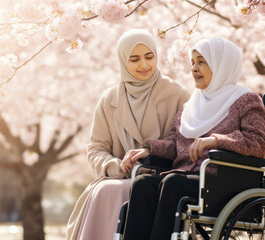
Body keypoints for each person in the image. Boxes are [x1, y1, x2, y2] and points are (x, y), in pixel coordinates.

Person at [121, 37, 265, 240]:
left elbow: (257, 143)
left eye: (202, 62)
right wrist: (148, 150)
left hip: (221, 181)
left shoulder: (247, 100)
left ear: (222, 63)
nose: (194, 68)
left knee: (172, 183)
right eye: (193, 62)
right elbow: (175, 143)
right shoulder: (189, 107)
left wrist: (216, 140)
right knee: (143, 184)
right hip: (185, 176)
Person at [66, 29, 190, 240]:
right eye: (134, 59)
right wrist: (115, 165)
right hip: (118, 175)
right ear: (123, 61)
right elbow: (96, 148)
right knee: (107, 190)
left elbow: (183, 144)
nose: (144, 65)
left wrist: (148, 155)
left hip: (159, 178)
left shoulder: (177, 95)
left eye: (149, 57)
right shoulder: (109, 99)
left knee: (125, 190)